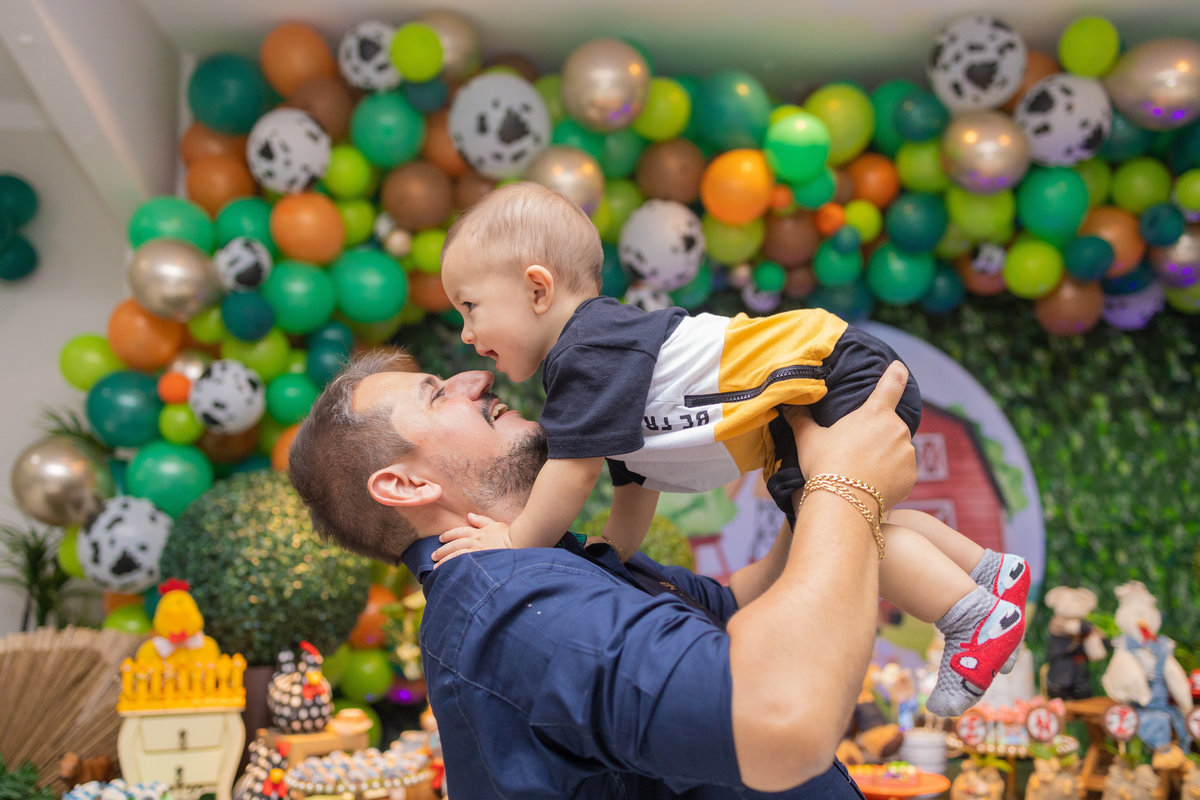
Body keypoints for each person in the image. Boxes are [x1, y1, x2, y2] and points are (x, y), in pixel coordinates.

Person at [434, 182, 1028, 716]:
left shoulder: (583, 356)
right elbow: (635, 478)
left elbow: (574, 471)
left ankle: (972, 617)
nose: (466, 332)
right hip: (823, 374)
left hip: (822, 377)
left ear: (538, 289)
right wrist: (613, 549)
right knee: (854, 519)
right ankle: (987, 571)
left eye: (470, 306)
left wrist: (513, 541)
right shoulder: (606, 361)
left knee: (846, 531)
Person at [288, 348, 917, 797]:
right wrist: (849, 486)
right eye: (436, 393)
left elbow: (747, 608)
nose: (475, 377)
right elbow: (781, 720)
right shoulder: (510, 604)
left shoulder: (548, 563)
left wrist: (807, 480)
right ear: (404, 485)